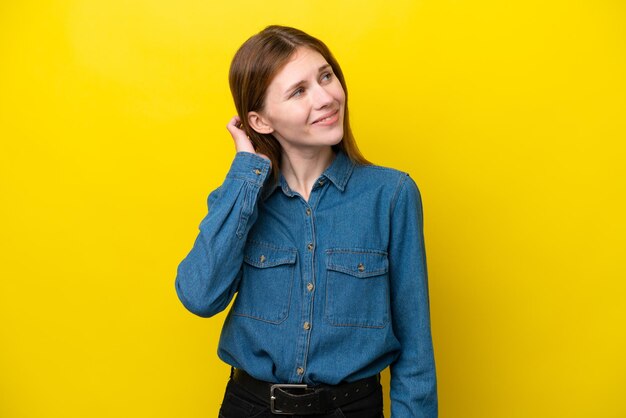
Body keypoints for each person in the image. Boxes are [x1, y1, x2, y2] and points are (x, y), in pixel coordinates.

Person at [175, 25, 437, 417]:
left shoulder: (392, 195)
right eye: (299, 91)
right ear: (261, 122)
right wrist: (247, 171)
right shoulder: (241, 200)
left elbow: (415, 351)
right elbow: (198, 296)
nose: (327, 97)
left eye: (326, 76)